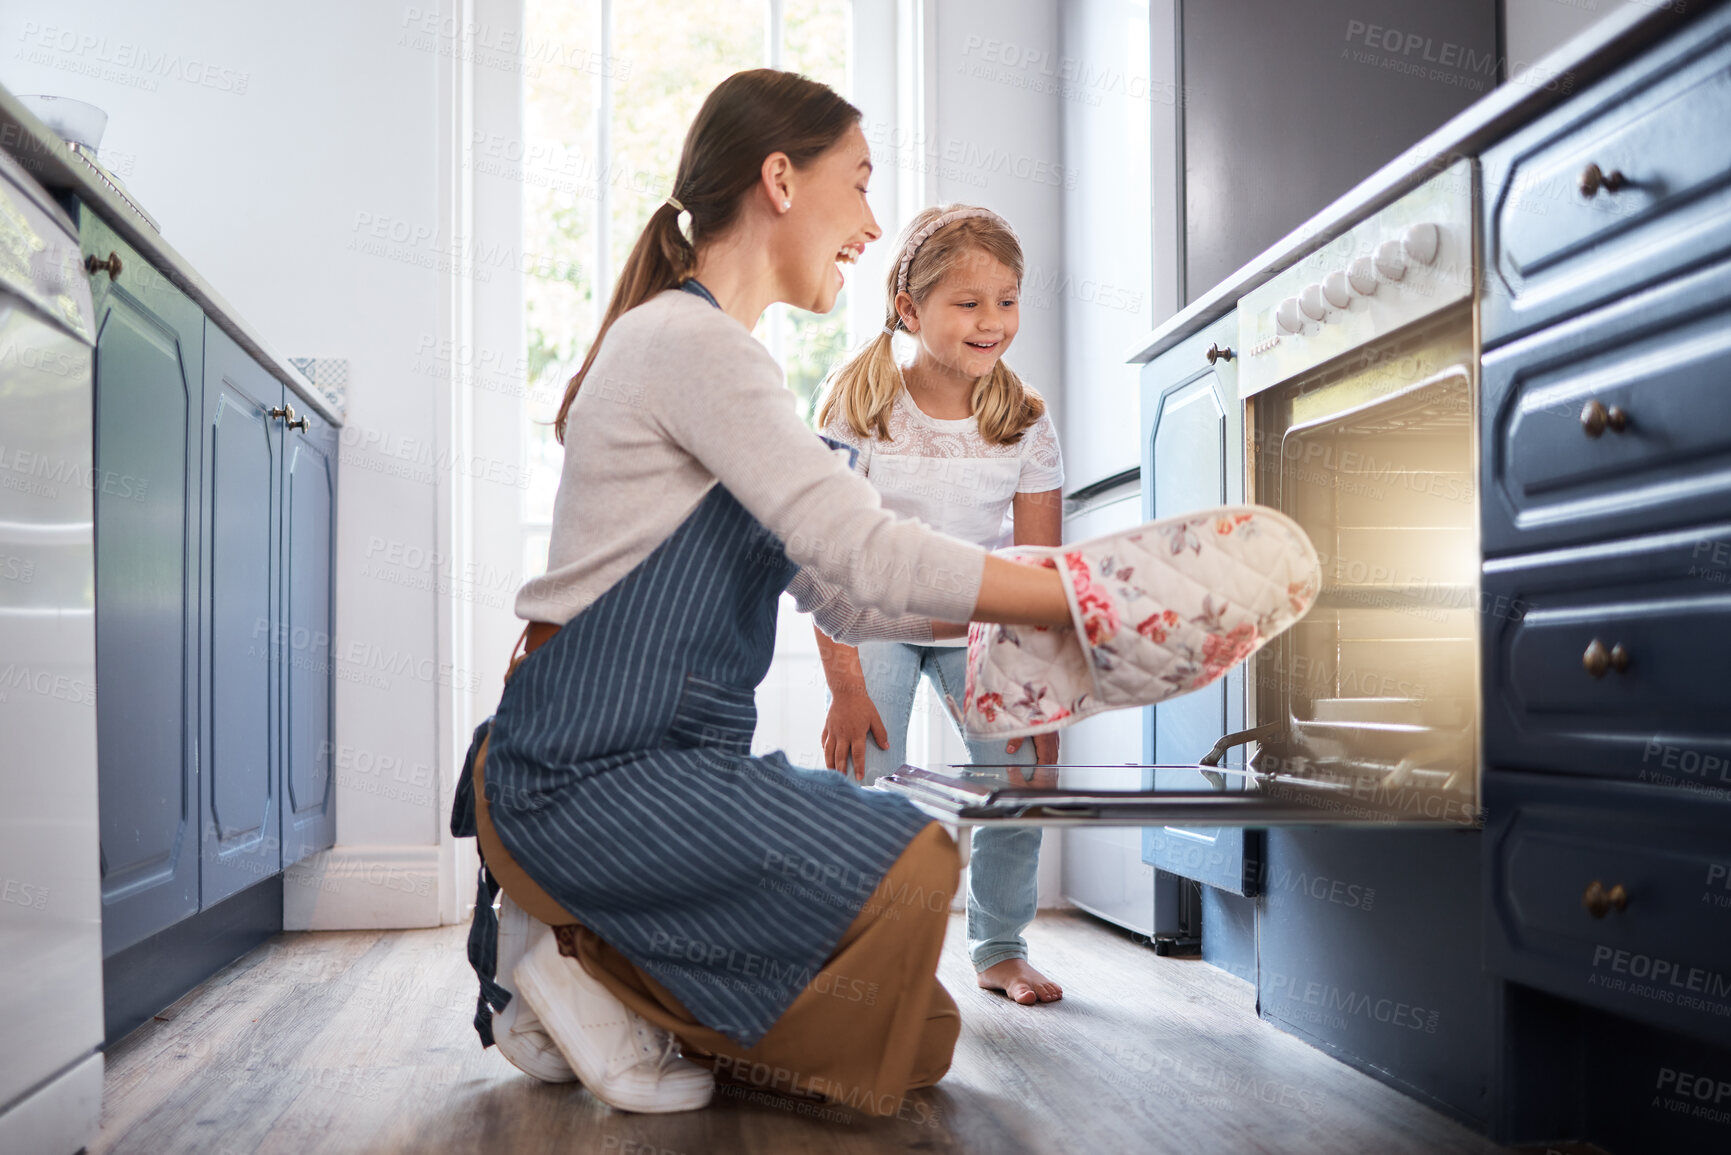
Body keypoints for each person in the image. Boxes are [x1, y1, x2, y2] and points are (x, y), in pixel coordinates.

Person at [448, 68, 1074, 1118]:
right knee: (913, 864)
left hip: (655, 770)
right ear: (780, 180)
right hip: (584, 773)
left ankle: (597, 974)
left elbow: (846, 594)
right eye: (860, 183)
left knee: (918, 1038)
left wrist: (1022, 613)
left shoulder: (716, 358)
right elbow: (866, 551)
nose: (873, 223)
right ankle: (571, 957)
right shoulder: (687, 345)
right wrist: (1075, 599)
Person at [813, 204, 1066, 1007]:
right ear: (909, 309)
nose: (993, 322)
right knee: (867, 782)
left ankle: (998, 946)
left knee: (1018, 773)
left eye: (1007, 299)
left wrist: (1042, 697)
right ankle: (870, 949)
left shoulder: (1023, 418)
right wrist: (845, 688)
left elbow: (1037, 571)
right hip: (871, 623)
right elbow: (824, 556)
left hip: (978, 629)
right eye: (968, 303)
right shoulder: (858, 406)